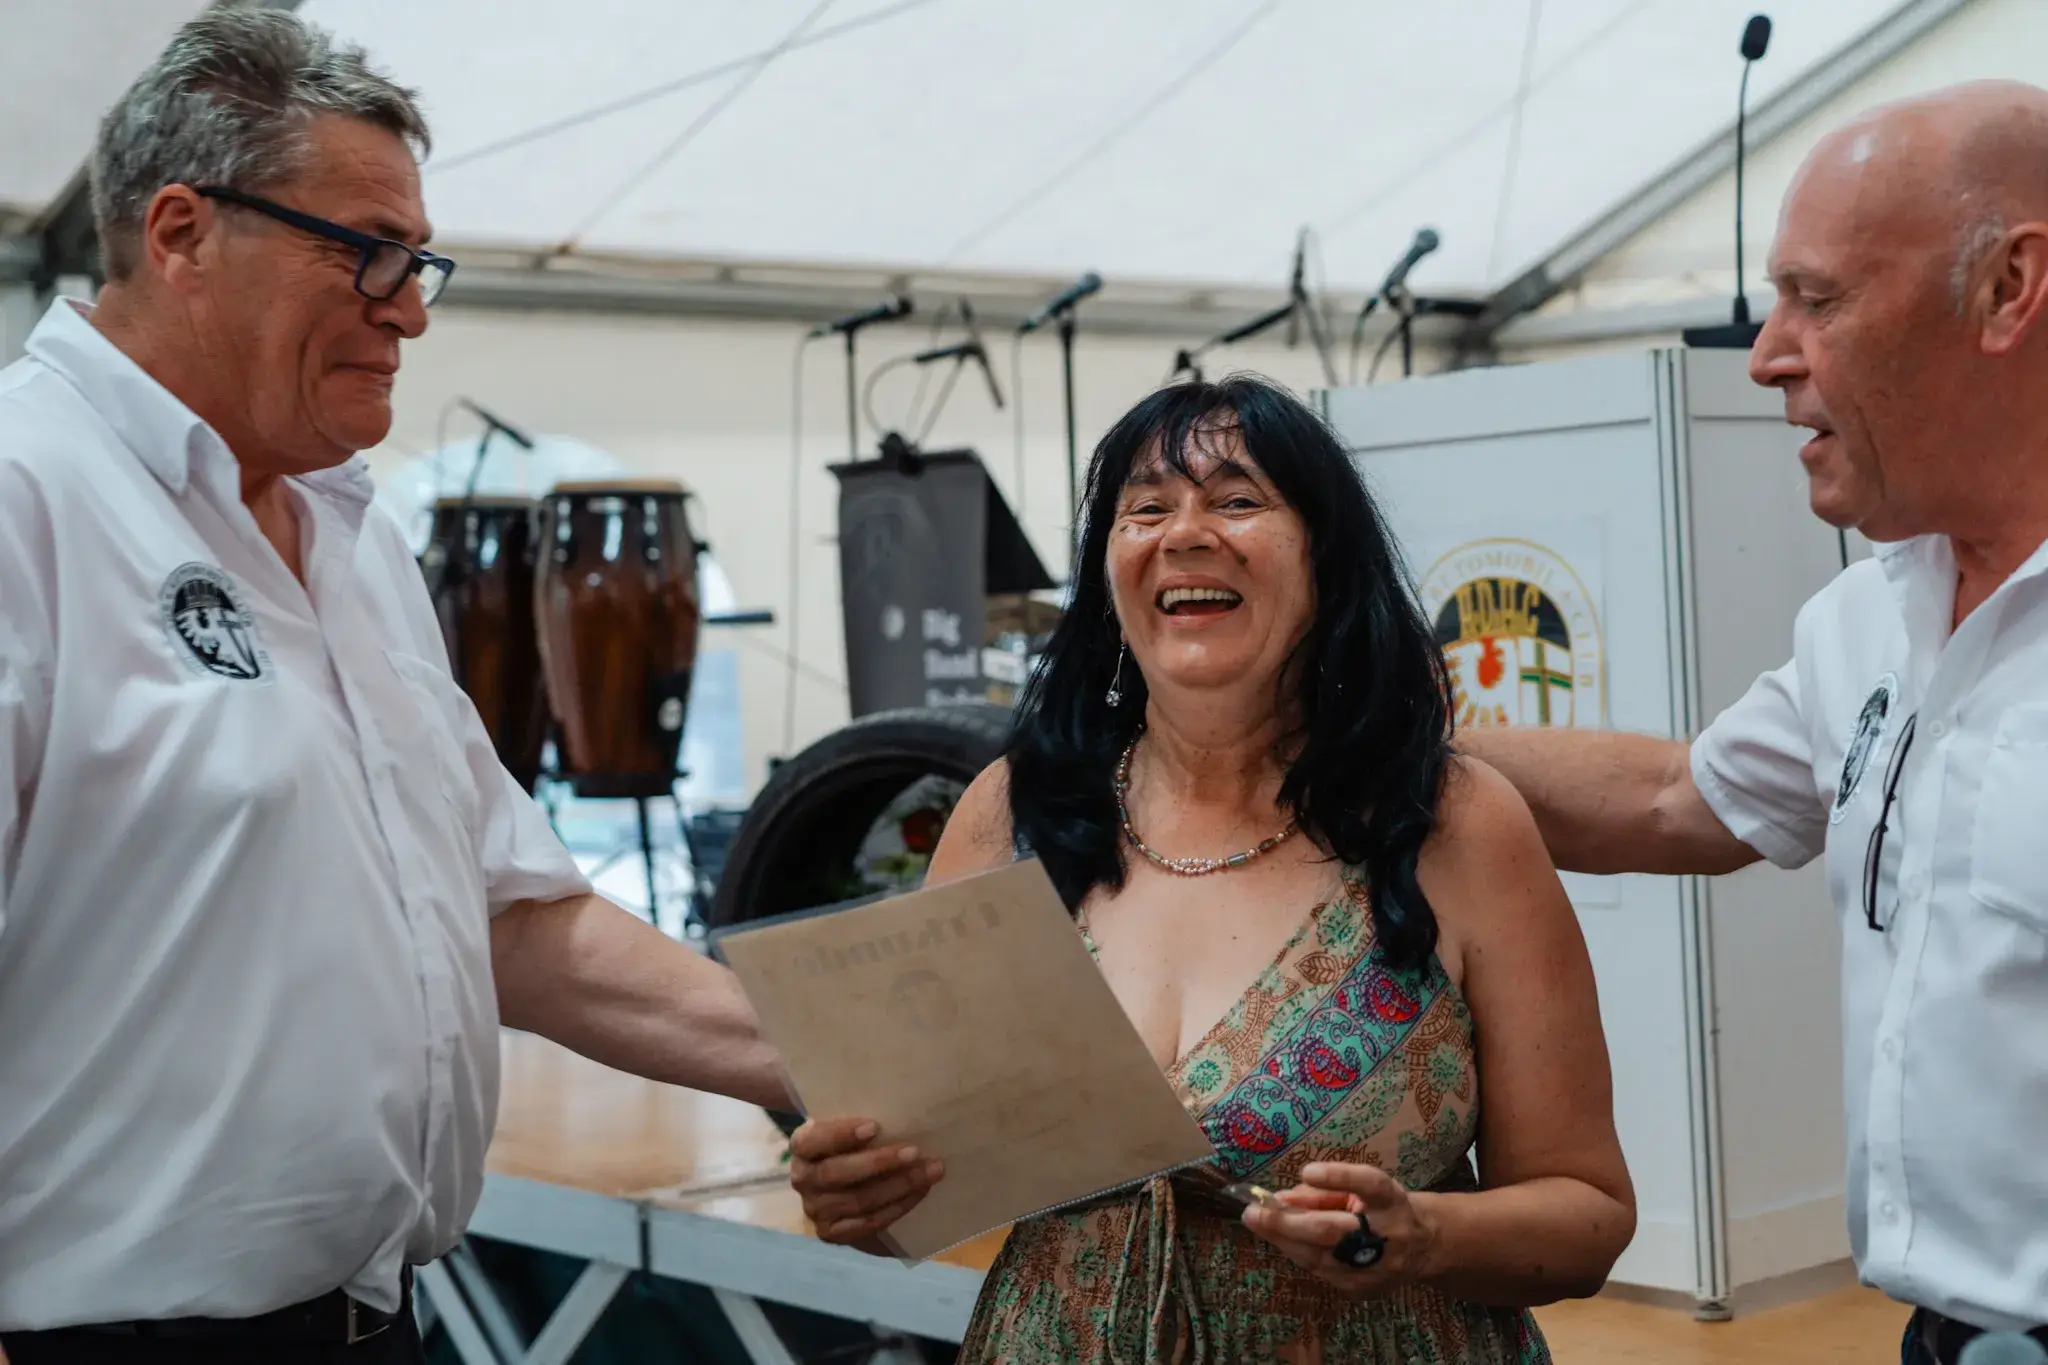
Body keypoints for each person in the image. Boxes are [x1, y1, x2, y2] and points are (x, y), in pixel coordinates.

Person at [0, 12, 784, 1362]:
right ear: (182, 233)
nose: (410, 308)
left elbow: (505, 916)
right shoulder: (27, 494)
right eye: (366, 250)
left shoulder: (343, 532)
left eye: (418, 261)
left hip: (373, 1320)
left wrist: (852, 1058)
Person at [790, 377, 1636, 1363]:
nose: (1185, 534)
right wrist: (859, 1198)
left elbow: (1587, 1214)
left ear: (1326, 559)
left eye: (1237, 500)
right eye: (1145, 509)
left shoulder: (1454, 823)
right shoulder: (1013, 816)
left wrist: (1424, 1235)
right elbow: (922, 1191)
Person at [1453, 83, 2048, 1365]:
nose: (1767, 355)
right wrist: (1357, 745)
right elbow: (1679, 801)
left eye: (1815, 299)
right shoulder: (1867, 620)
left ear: (2006, 289)